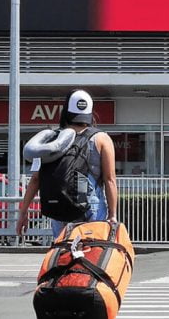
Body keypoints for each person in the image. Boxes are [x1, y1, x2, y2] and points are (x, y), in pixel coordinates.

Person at [16, 89, 118, 238]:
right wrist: (112, 215)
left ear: (66, 111)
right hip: (90, 207)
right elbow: (110, 180)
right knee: (92, 254)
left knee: (63, 255)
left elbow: (36, 180)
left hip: (59, 205)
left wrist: (23, 213)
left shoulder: (53, 139)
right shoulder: (101, 139)